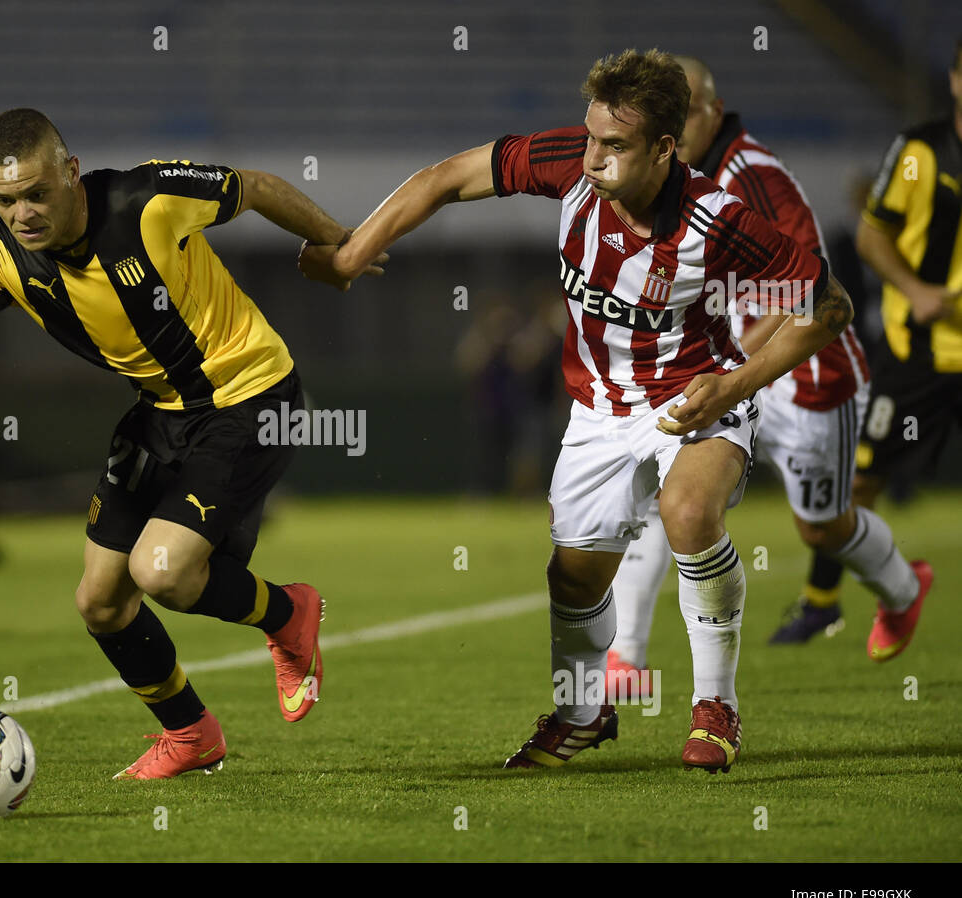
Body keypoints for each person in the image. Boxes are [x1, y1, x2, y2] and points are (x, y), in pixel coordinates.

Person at [300, 49, 855, 773]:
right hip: (596, 411)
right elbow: (445, 178)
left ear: (665, 148)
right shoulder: (569, 159)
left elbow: (829, 305)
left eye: (614, 145)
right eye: (591, 137)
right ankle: (582, 711)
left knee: (688, 514)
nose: (592, 157)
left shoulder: (717, 219)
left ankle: (715, 706)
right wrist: (350, 256)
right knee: (573, 578)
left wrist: (736, 384)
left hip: (695, 395)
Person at [0, 108, 383, 779]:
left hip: (249, 395)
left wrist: (341, 246)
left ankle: (289, 612)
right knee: (100, 601)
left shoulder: (148, 200)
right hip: (160, 410)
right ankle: (191, 733)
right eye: (5, 199)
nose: (22, 213)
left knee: (161, 570)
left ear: (71, 173)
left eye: (37, 194)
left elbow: (253, 187)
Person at [604, 56, 928, 688]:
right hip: (733, 367)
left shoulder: (749, 174)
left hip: (807, 373)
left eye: (684, 107)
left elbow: (812, 287)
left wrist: (726, 361)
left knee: (821, 525)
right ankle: (627, 659)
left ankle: (901, 588)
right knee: (656, 486)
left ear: (711, 113)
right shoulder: (675, 177)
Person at [797, 37, 962, 649]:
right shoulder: (921, 151)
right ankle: (847, 599)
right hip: (919, 353)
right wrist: (916, 289)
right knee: (860, 484)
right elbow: (872, 237)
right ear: (954, 81)